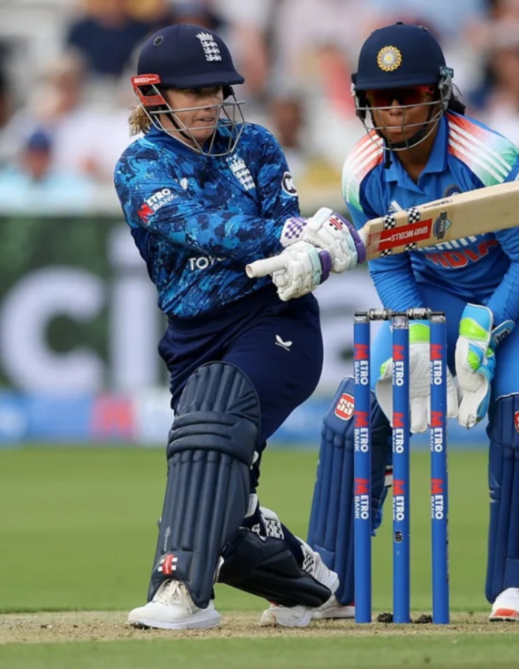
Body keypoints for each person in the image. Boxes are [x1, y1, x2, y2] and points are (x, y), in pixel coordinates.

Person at [292, 22, 519, 623]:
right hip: (439, 286)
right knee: (354, 412)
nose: (395, 110)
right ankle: (330, 578)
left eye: (408, 94)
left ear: (438, 93)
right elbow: (390, 263)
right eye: (380, 97)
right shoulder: (362, 172)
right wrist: (413, 332)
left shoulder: (486, 159)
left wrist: (485, 330)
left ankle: (517, 585)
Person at [114, 23, 368, 630]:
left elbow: (290, 235)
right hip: (194, 337)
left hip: (275, 322)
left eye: (217, 89)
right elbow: (192, 224)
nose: (209, 102)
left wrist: (314, 253)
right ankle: (318, 589)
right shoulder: (141, 163)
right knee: (217, 505)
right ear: (153, 94)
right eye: (194, 91)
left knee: (213, 419)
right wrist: (284, 233)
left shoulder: (254, 145)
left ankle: (181, 593)